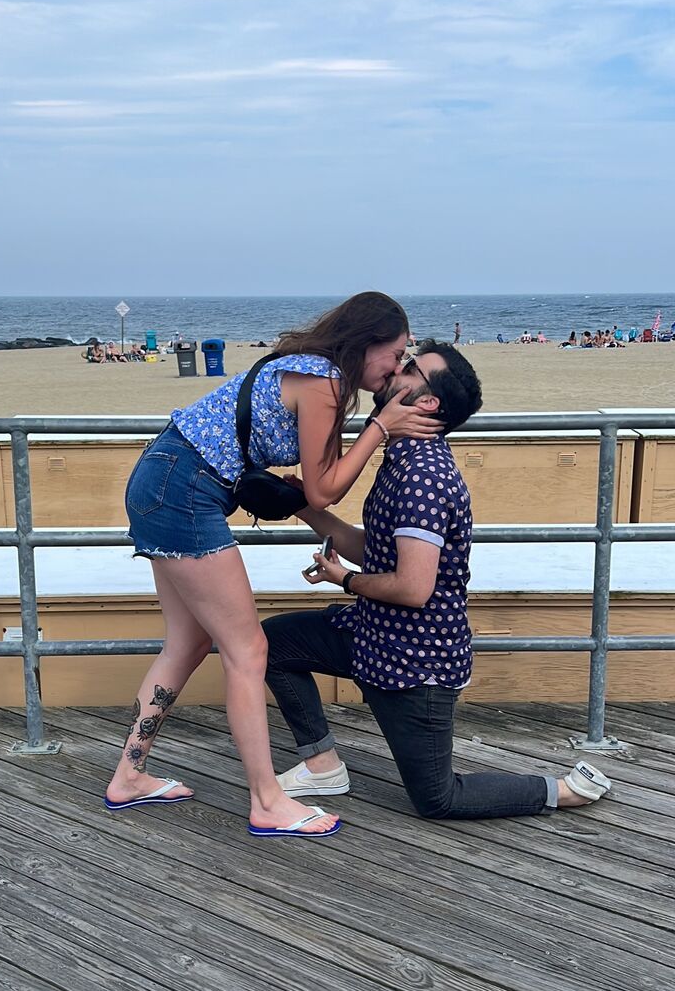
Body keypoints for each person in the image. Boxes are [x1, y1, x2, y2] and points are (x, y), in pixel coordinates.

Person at [105, 292, 442, 837]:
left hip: (162, 476)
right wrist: (381, 428)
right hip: (183, 490)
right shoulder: (326, 382)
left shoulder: (312, 370)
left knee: (188, 643)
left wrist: (371, 428)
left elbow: (314, 484)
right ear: (367, 343)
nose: (398, 367)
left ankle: (129, 775)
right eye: (397, 353)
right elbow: (323, 490)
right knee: (249, 648)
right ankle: (267, 800)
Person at [262, 341, 611, 821]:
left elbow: (413, 587)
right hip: (370, 635)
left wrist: (345, 580)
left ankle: (560, 789)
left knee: (437, 798)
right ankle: (322, 765)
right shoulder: (403, 457)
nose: (395, 369)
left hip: (415, 661)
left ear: (427, 403)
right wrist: (303, 505)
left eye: (410, 369)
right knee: (270, 645)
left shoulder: (423, 476)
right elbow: (377, 549)